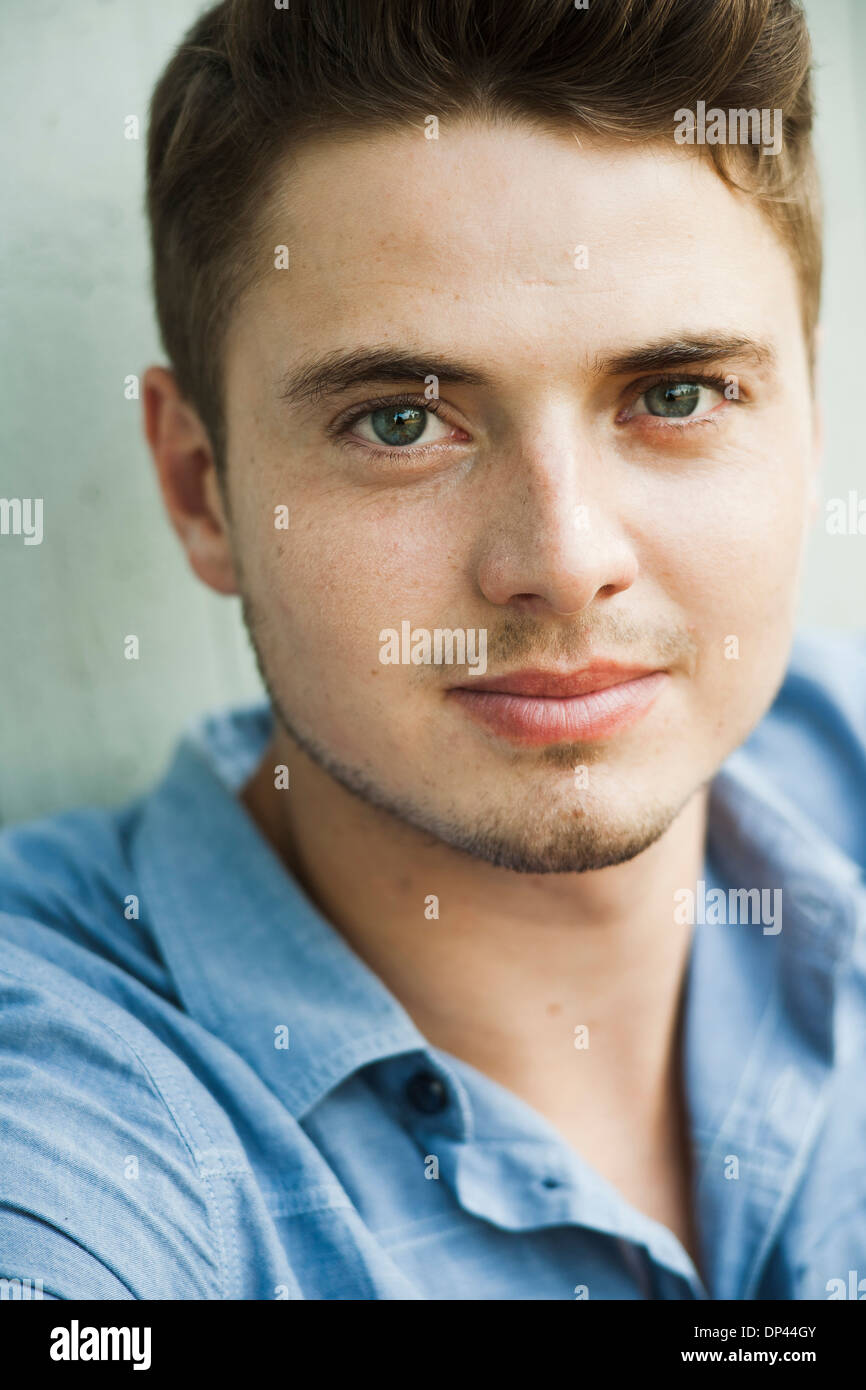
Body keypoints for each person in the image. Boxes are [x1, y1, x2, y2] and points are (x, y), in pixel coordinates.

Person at [1, 0, 863, 1301]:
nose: (565, 559)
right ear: (200, 488)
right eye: (400, 420)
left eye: (674, 395)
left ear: (806, 417)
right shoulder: (70, 1107)